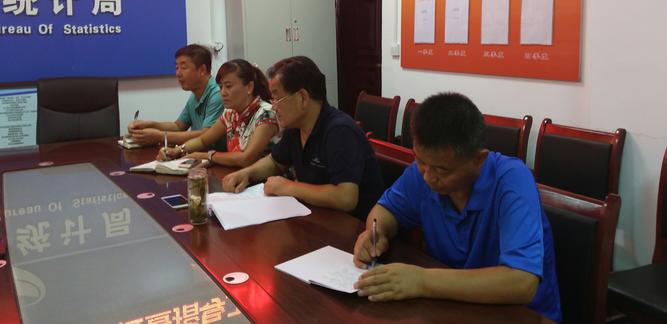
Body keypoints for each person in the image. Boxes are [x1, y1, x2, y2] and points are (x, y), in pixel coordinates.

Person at [353, 92, 561, 323]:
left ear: (478, 159)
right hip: (453, 305)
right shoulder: (423, 172)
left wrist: (421, 281)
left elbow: (522, 283)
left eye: (442, 170)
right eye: (420, 161)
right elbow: (386, 210)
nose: (428, 177)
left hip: (520, 315)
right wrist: (375, 232)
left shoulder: (512, 179)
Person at [222, 56, 384, 219]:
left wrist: (288, 187)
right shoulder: (296, 127)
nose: (274, 107)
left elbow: (346, 198)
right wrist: (247, 173)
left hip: (354, 226)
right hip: (316, 216)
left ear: (302, 97)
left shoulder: (340, 131)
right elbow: (275, 162)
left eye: (278, 99)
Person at [159, 59, 279, 167]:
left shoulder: (266, 114)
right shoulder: (230, 113)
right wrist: (178, 150)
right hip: (235, 175)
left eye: (228, 86)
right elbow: (203, 140)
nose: (223, 93)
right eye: (221, 87)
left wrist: (207, 156)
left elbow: (246, 158)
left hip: (262, 181)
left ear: (249, 87)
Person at [127, 44, 225, 149]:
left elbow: (206, 135)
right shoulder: (195, 94)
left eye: (183, 67)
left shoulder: (218, 94)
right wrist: (149, 124)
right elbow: (178, 126)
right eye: (177, 67)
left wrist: (160, 137)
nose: (178, 73)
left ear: (202, 70)